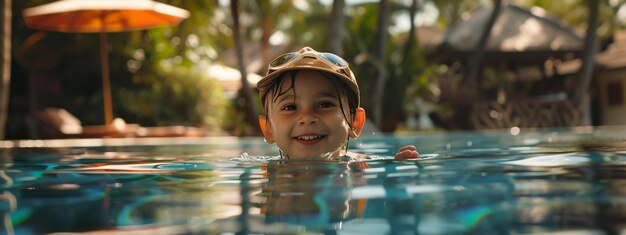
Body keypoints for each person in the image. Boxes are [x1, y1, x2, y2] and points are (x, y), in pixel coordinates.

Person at [256, 46, 419, 161]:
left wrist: (397, 167)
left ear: (355, 122)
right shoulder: (265, 172)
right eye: (290, 107)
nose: (307, 118)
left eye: (325, 104)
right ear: (268, 129)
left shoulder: (361, 166)